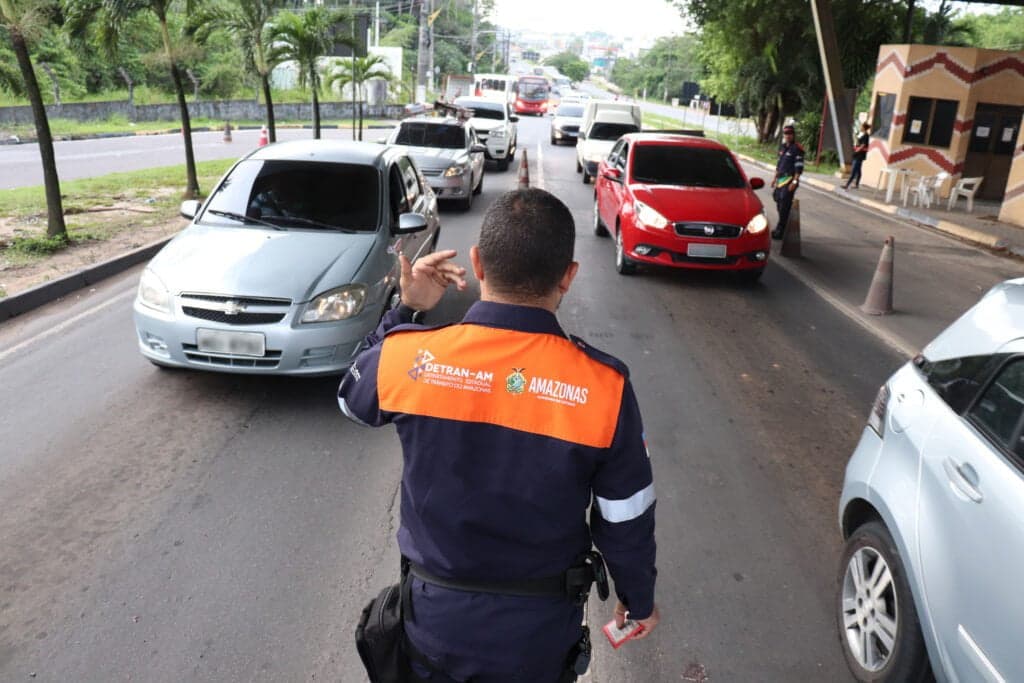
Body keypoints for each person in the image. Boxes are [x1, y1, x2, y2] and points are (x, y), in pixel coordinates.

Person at [339, 188, 660, 682]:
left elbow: (350, 397)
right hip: (538, 639)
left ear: (477, 264)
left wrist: (406, 310)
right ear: (569, 277)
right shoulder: (604, 387)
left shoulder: (411, 357)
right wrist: (638, 600)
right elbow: (626, 517)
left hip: (432, 626)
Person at [771, 124, 804, 240]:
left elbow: (799, 167)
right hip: (781, 180)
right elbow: (779, 164)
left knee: (785, 205)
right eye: (786, 134)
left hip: (790, 180)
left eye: (790, 134)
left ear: (793, 135)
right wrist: (774, 178)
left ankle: (781, 230)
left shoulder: (797, 149)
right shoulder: (783, 147)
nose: (788, 136)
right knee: (777, 199)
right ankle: (784, 224)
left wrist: (794, 182)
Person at [843, 122, 871, 190]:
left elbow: (863, 145)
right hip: (858, 154)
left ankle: (847, 185)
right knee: (858, 171)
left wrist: (856, 151)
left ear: (864, 128)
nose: (860, 127)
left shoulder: (866, 136)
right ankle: (856, 185)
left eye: (861, 126)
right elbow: (858, 143)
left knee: (854, 170)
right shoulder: (862, 135)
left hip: (859, 155)